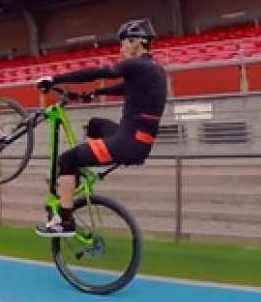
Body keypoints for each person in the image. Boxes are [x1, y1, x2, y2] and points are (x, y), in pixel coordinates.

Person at [33, 19, 167, 237]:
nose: (121, 48)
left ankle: (65, 221)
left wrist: (54, 78)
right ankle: (75, 176)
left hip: (127, 143)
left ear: (136, 42)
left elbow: (96, 72)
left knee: (67, 159)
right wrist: (95, 94)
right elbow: (126, 88)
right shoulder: (154, 69)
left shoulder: (135, 65)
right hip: (138, 141)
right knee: (95, 125)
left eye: (124, 43)